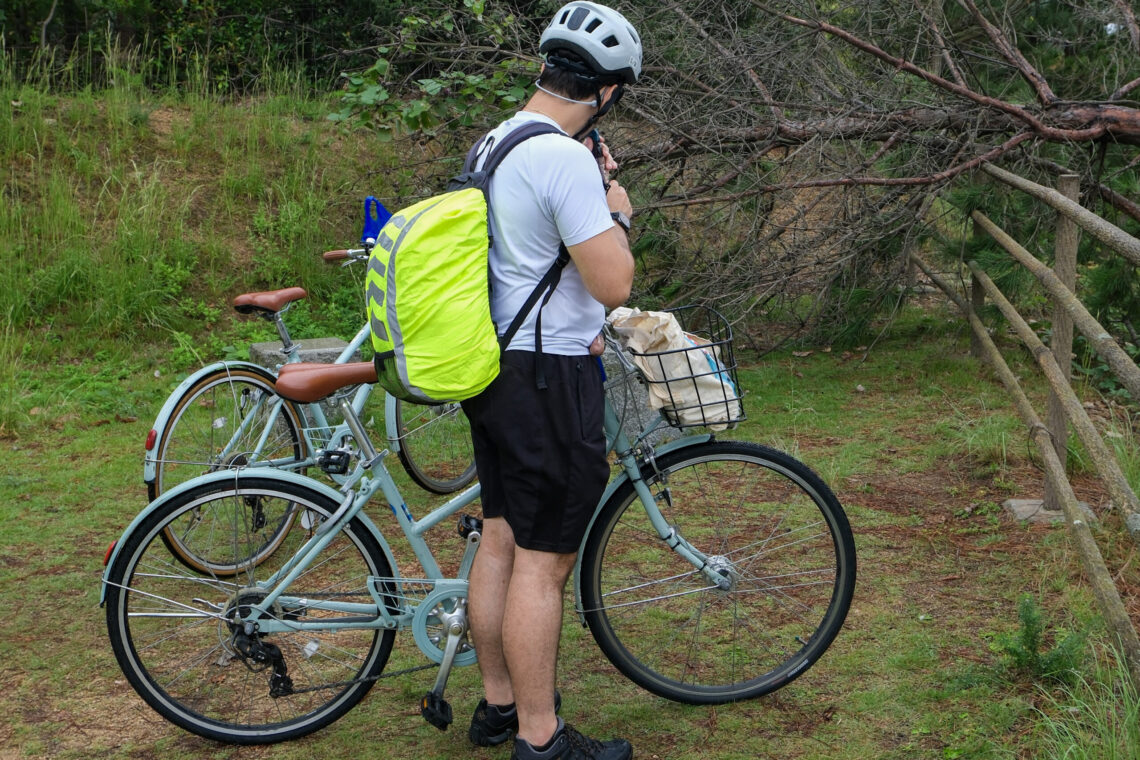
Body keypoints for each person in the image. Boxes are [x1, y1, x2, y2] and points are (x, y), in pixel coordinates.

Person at [459, 3, 642, 760]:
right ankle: (541, 739)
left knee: (499, 540)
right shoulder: (564, 160)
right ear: (605, 93)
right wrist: (619, 210)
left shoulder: (496, 141)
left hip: (494, 369)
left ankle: (500, 706)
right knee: (545, 560)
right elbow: (613, 285)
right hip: (550, 377)